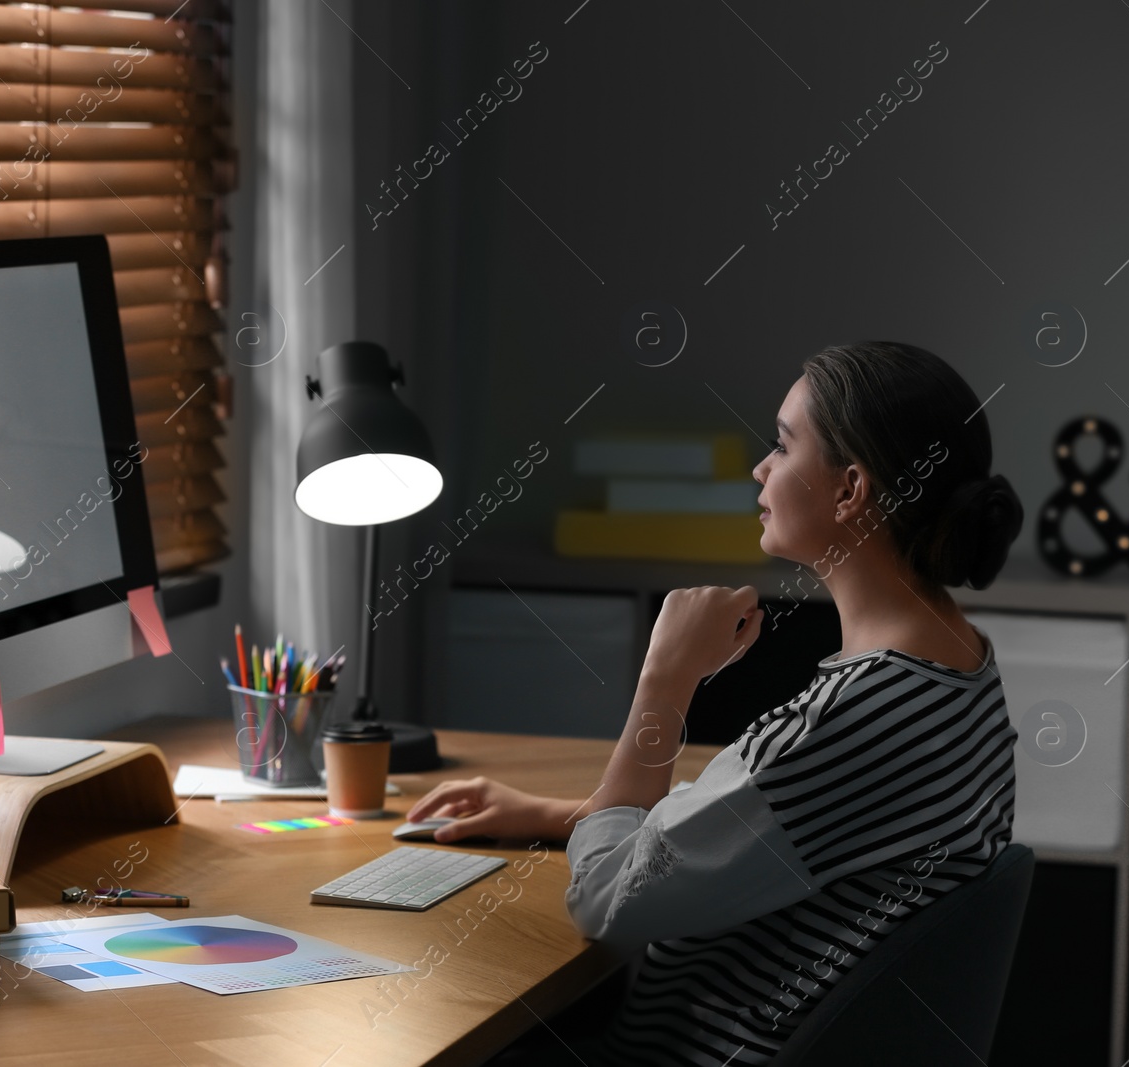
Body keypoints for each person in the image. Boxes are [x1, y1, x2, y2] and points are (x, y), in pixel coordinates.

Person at [407, 341, 1026, 1065]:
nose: (761, 468)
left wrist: (665, 678)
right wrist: (556, 814)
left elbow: (606, 901)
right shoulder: (961, 665)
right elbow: (773, 825)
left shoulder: (848, 717)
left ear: (850, 490)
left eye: (783, 445)